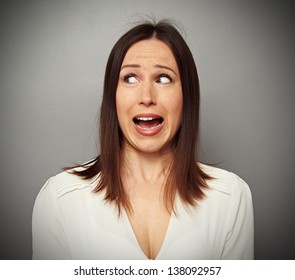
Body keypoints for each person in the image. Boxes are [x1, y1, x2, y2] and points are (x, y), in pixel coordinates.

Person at [32, 19, 254, 260]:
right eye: (130, 78)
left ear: (186, 96)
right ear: (112, 97)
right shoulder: (60, 199)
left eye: (163, 79)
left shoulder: (231, 197)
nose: (147, 97)